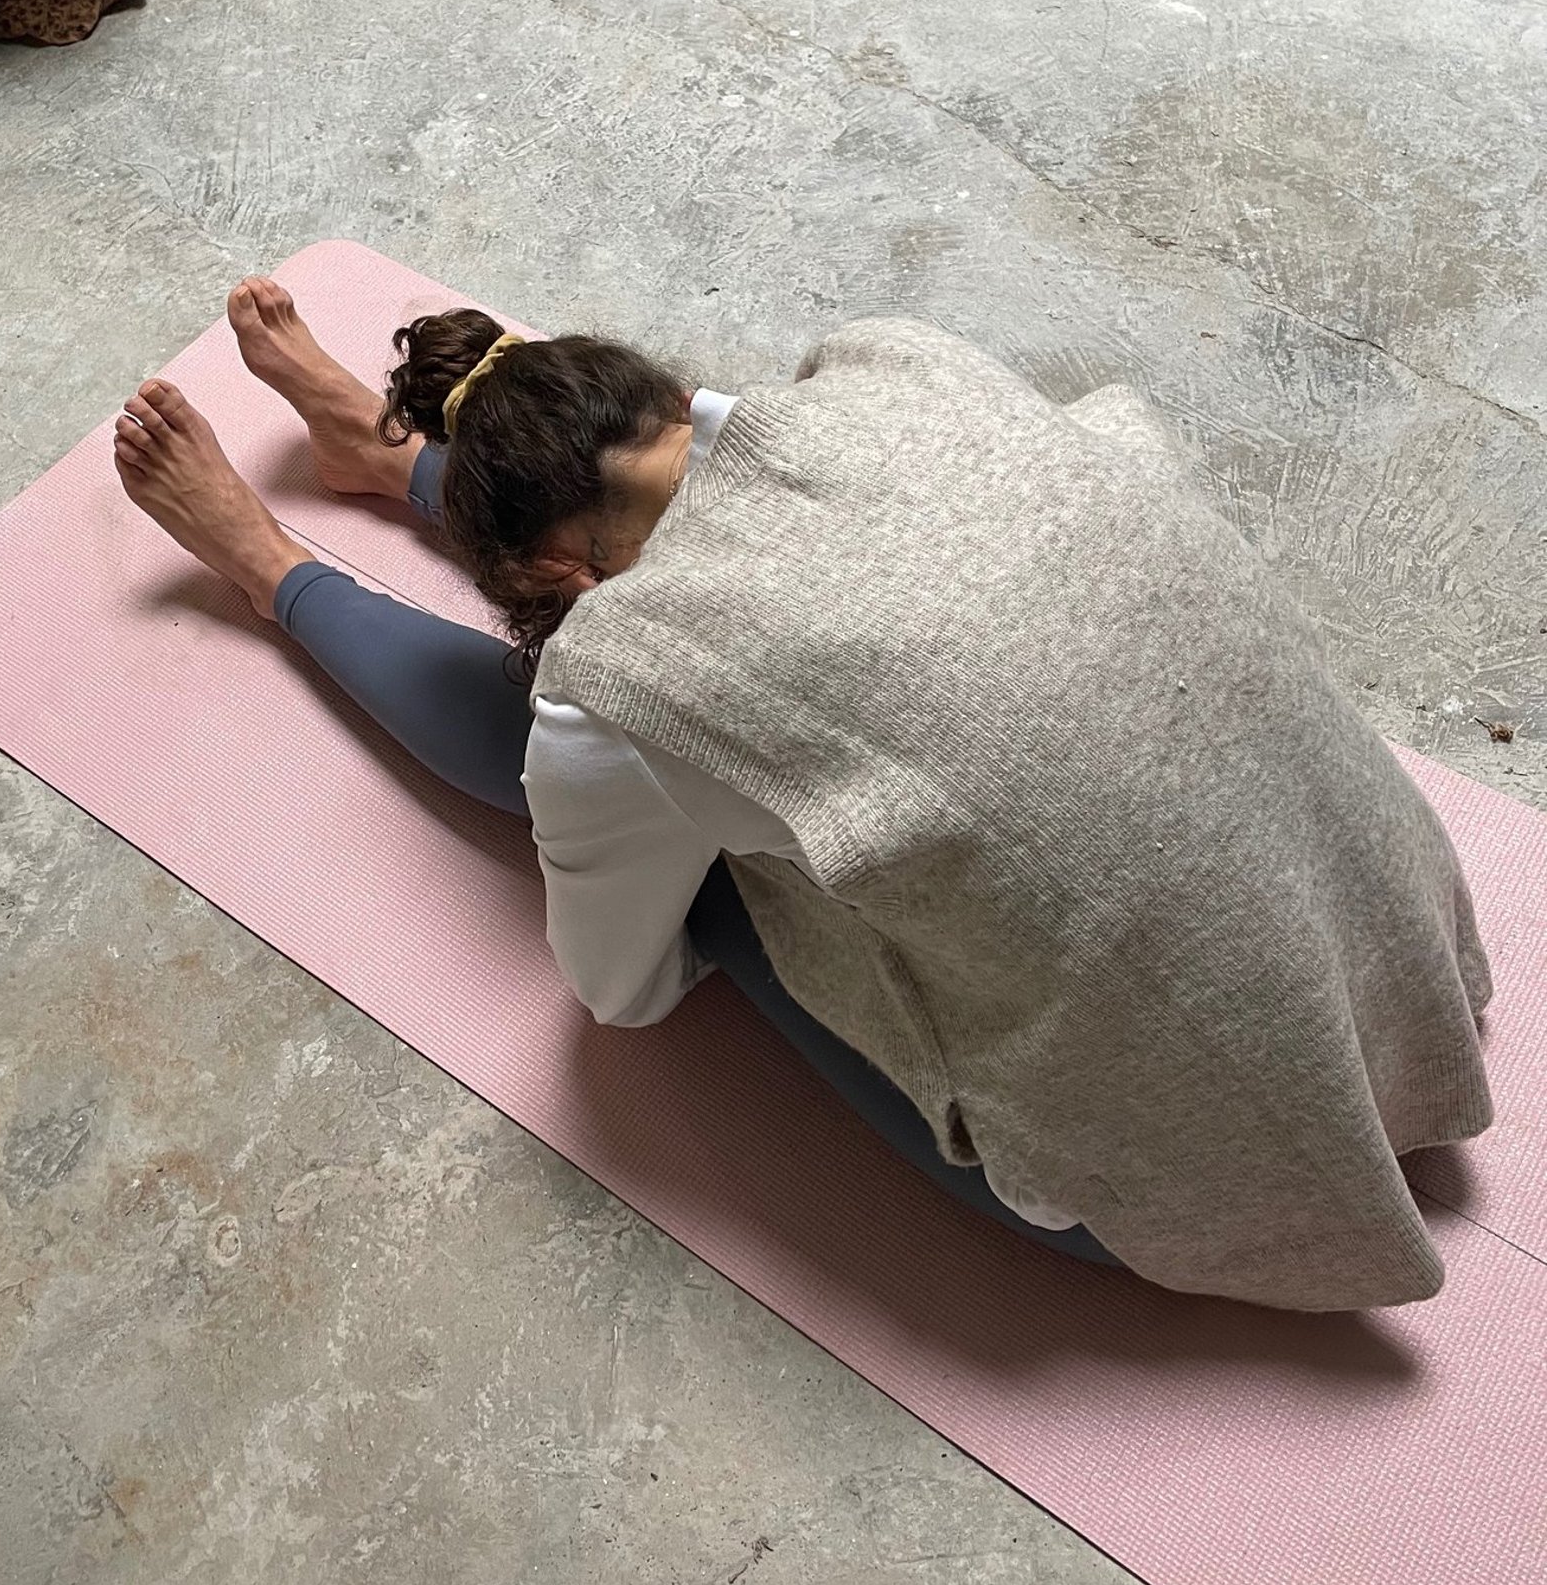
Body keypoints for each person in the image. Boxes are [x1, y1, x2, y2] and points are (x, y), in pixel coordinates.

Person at [112, 275, 1494, 1310]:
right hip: (1410, 949)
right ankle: (389, 454)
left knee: (655, 817)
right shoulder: (903, 366)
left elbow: (624, 990)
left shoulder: (621, 667)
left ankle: (266, 562)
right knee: (712, 745)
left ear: (557, 587)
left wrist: (676, 796)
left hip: (1178, 1168)